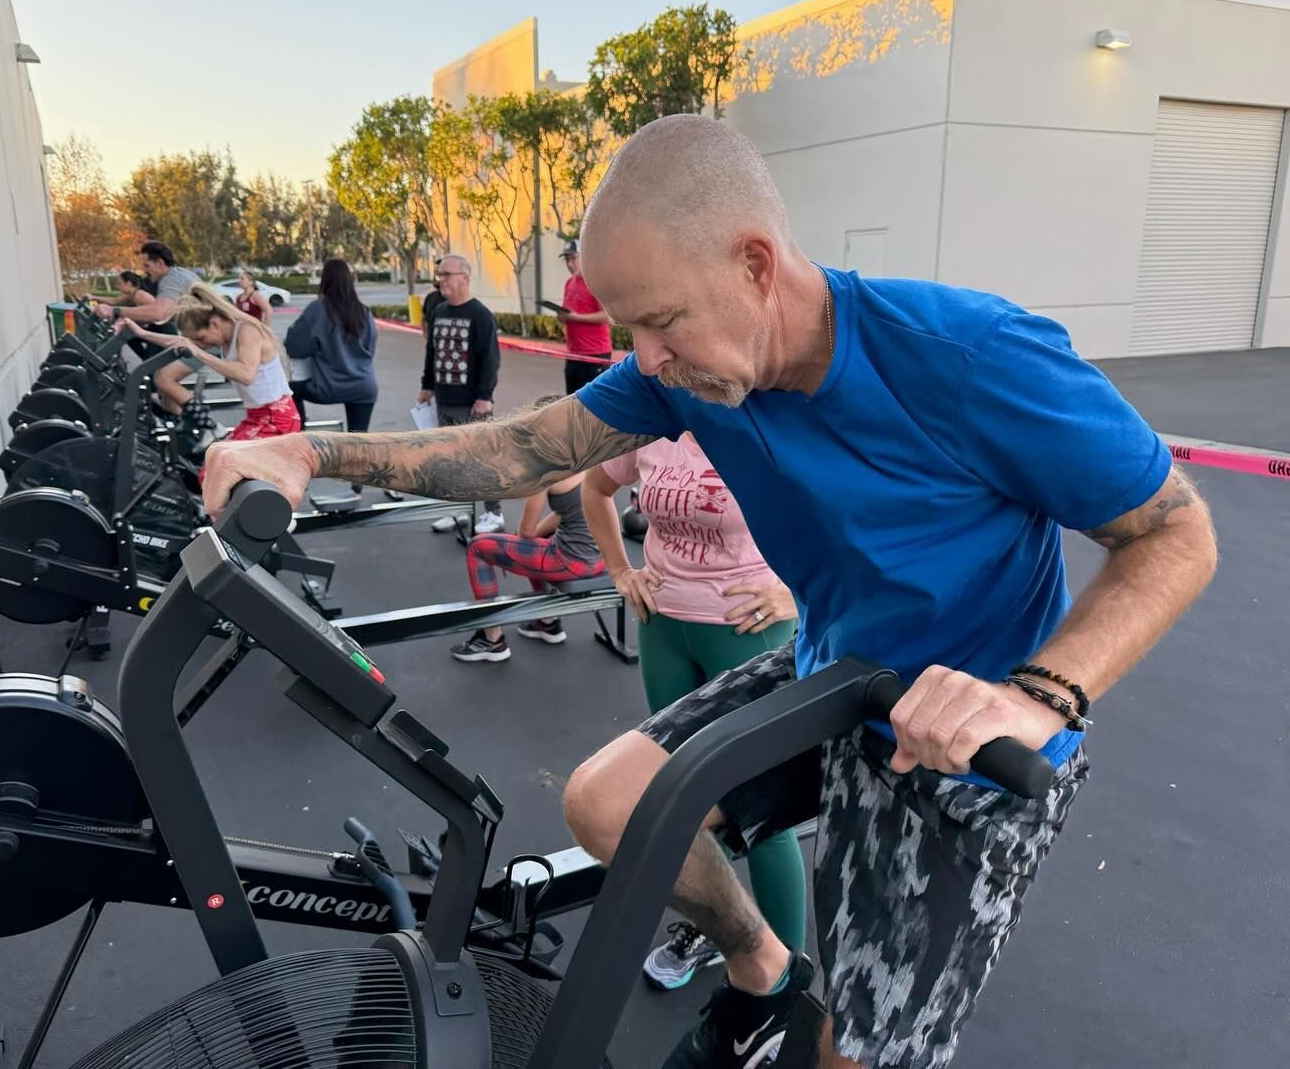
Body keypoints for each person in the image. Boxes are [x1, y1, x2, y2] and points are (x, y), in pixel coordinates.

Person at [200, 114, 1219, 1069]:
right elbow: (521, 448)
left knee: (855, 1055)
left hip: (969, 737)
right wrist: (308, 450)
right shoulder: (690, 371)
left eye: (661, 322)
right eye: (630, 331)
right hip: (837, 674)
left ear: (756, 263)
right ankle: (764, 969)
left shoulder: (970, 357)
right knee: (611, 803)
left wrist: (1038, 693)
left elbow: (1176, 532)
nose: (646, 360)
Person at [581, 433, 802, 991]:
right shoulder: (653, 421)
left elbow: (852, 516)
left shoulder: (769, 420)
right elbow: (596, 486)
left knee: (760, 814)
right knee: (686, 800)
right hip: (663, 627)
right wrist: (620, 572)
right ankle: (719, 927)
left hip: (745, 630)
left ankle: (785, 981)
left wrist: (797, 594)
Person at [450, 395, 606, 663]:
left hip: (569, 561)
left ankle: (492, 639)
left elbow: (525, 531)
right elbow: (567, 511)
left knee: (478, 547)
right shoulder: (590, 456)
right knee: (539, 542)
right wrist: (535, 536)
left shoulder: (547, 468)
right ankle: (547, 622)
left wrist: (529, 536)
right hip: (598, 559)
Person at [118, 283, 300, 448]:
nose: (200, 343)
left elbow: (246, 374)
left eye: (201, 338)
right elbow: (180, 341)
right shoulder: (224, 338)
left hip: (277, 418)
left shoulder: (246, 330)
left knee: (225, 466)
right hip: (257, 416)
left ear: (214, 324)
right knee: (211, 465)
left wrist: (198, 352)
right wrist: (140, 333)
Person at [93, 241, 218, 444]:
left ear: (160, 263)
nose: (145, 272)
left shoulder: (170, 279)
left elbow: (158, 312)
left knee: (163, 378)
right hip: (198, 337)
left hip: (208, 340)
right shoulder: (178, 275)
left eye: (147, 266)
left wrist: (116, 313)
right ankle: (186, 433)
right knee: (166, 392)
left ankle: (211, 427)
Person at [418, 254, 503, 535]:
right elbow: (432, 352)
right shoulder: (439, 311)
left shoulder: (480, 315)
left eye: (446, 275)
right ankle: (458, 510)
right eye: (439, 275)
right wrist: (427, 385)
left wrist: (484, 396)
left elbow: (490, 359)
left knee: (481, 458)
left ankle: (494, 513)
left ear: (464, 279)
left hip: (473, 402)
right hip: (444, 399)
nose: (440, 280)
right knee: (450, 458)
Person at [285, 257, 379, 433]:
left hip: (328, 387)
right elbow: (370, 349)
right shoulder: (363, 312)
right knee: (359, 442)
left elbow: (294, 346)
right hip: (364, 386)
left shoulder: (318, 309)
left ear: (325, 280)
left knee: (288, 391)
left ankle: (300, 433)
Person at [557, 240, 614, 395]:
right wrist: (563, 317)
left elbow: (607, 316)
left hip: (595, 354)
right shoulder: (569, 283)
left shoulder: (595, 282)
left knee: (596, 406)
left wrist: (576, 318)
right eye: (566, 259)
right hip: (573, 353)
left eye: (573, 258)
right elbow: (568, 313)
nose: (569, 264)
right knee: (571, 402)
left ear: (584, 256)